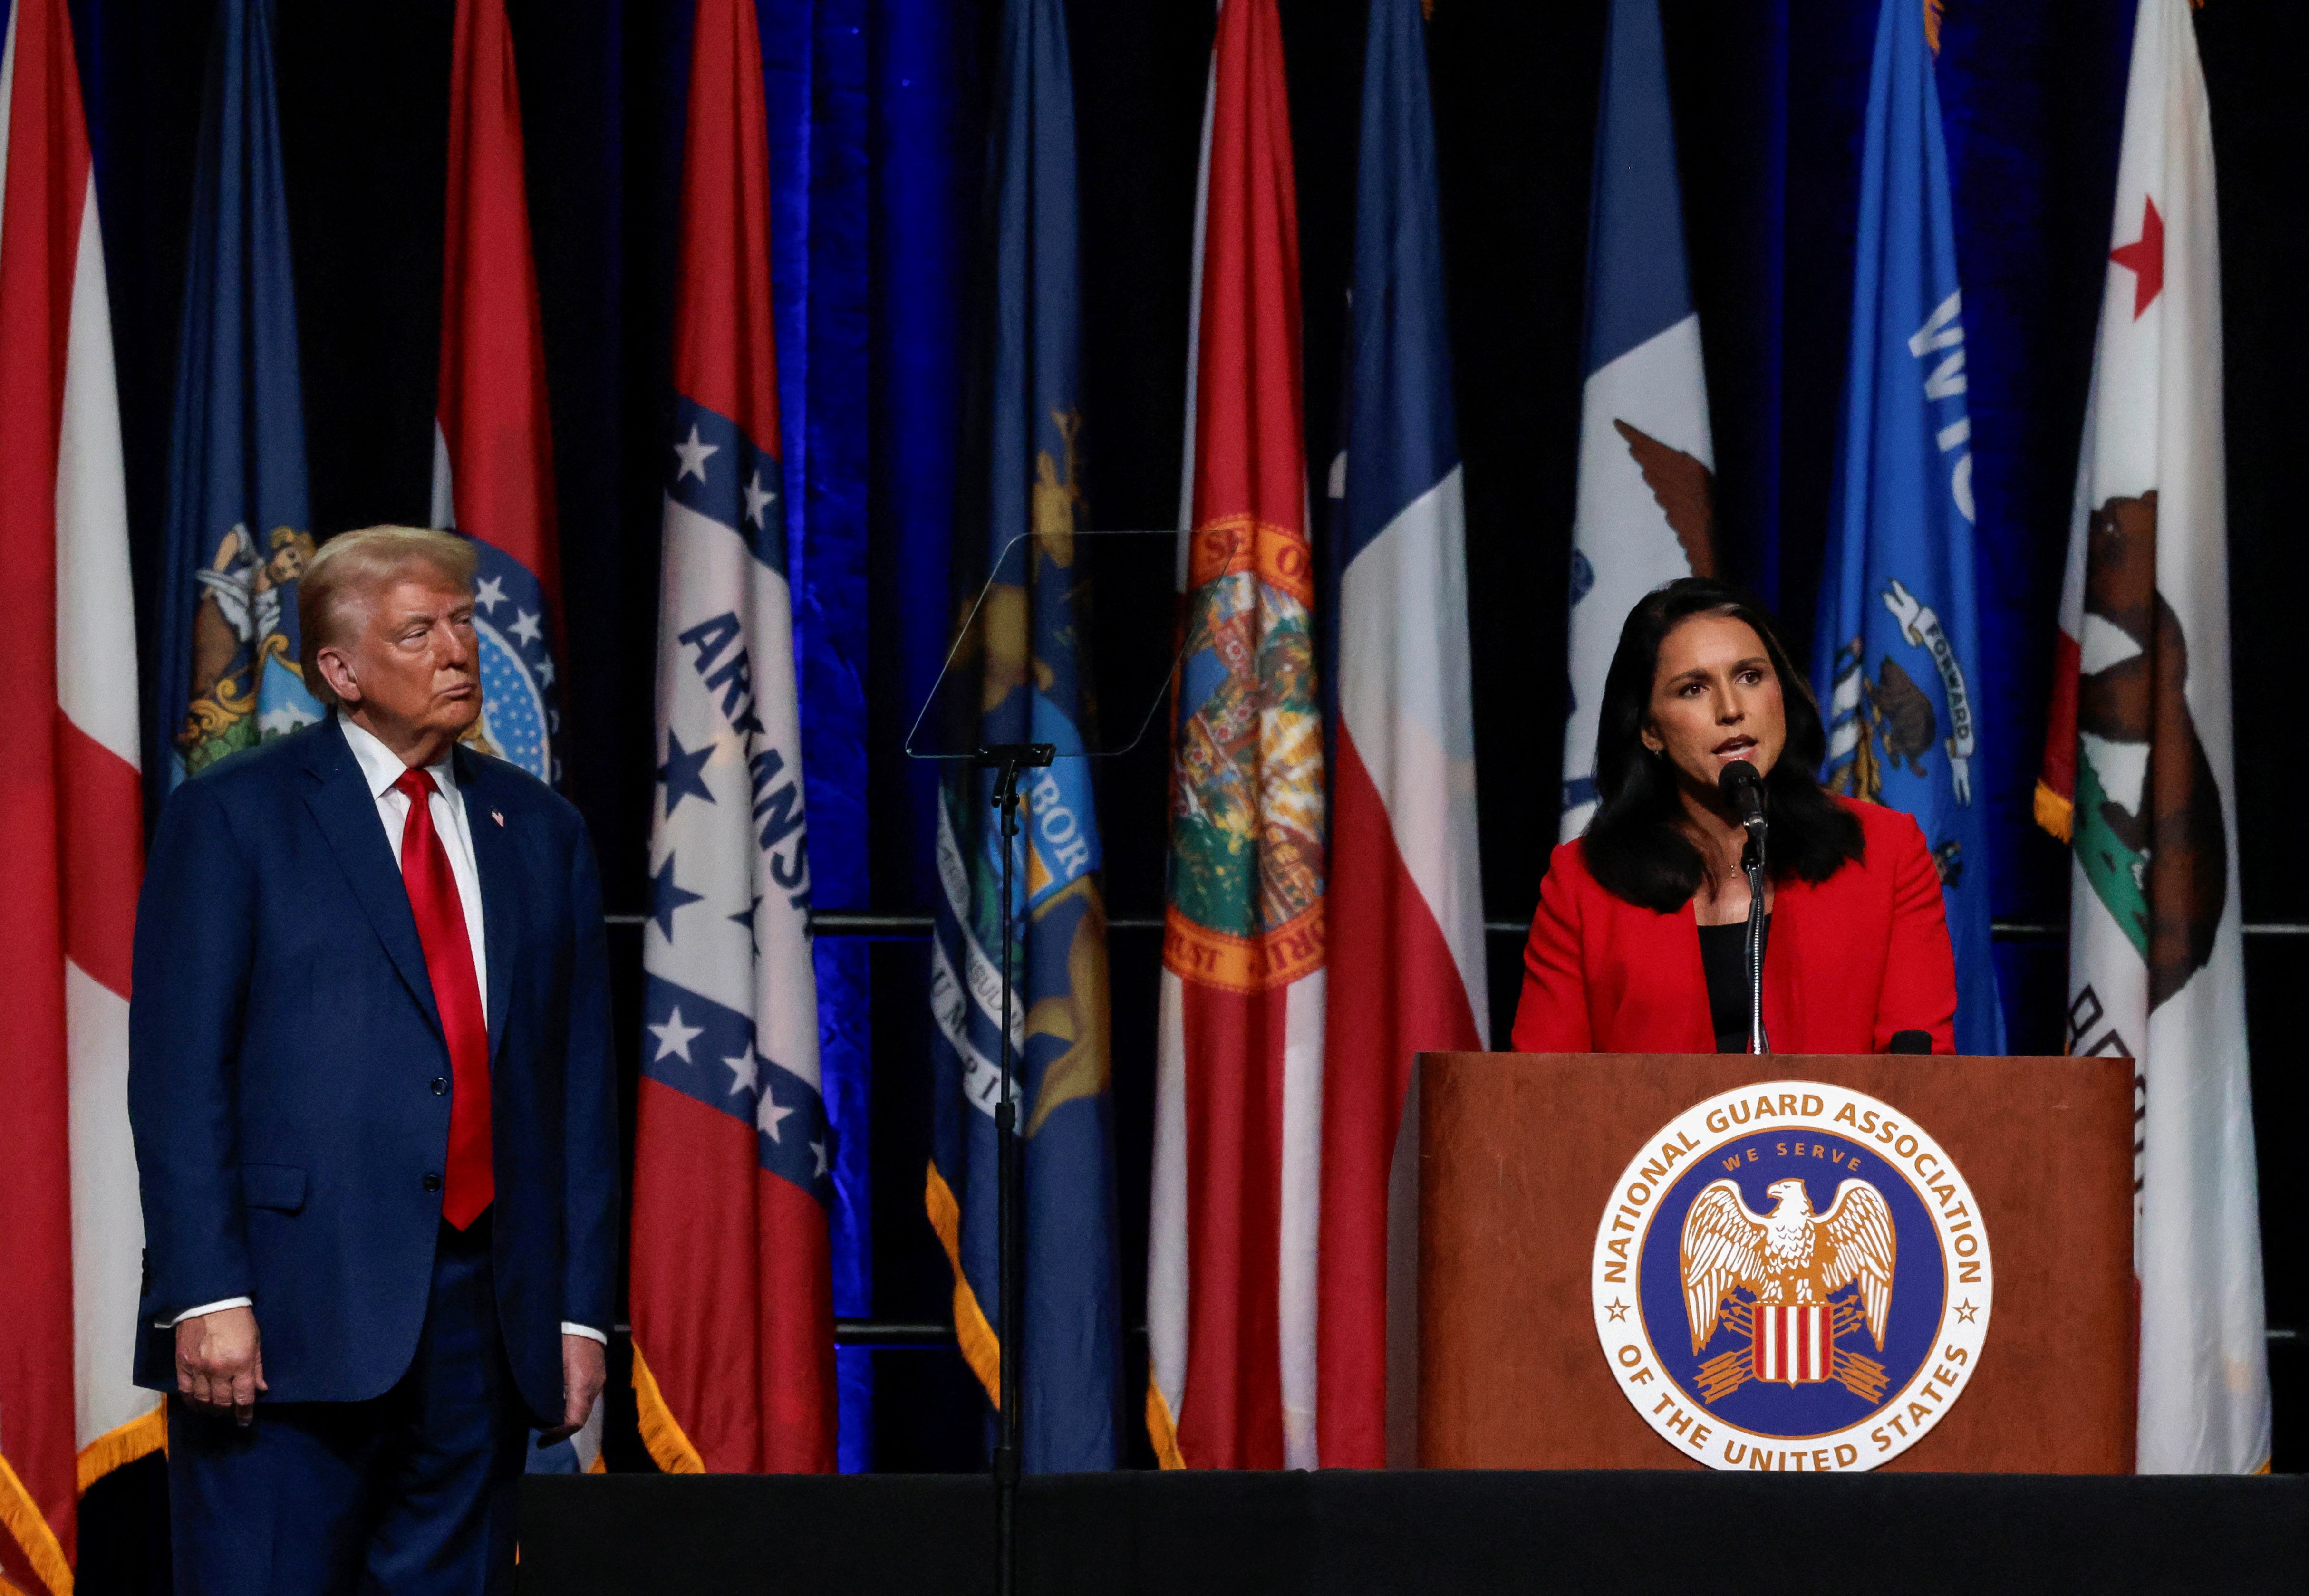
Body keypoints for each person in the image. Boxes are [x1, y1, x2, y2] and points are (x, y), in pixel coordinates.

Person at [128, 525, 618, 1595]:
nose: (457, 652)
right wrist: (204, 1289)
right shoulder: (232, 814)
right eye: (419, 631)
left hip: (485, 1322)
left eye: (462, 623)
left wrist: (577, 1310)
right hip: (284, 1317)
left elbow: (575, 1091)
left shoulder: (541, 828)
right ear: (341, 670)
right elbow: (178, 1074)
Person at [1512, 577, 1957, 1053]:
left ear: (1782, 693)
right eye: (1693, 689)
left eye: (1750, 676)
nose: (1731, 709)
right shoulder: (1584, 884)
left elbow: (1920, 1077)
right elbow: (1544, 1096)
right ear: (1649, 730)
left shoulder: (1886, 852)